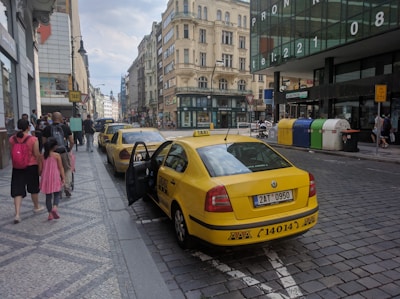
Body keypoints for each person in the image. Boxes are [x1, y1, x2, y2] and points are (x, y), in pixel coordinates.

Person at [9, 118, 43, 224]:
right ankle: (36, 206)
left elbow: (12, 153)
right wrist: (40, 166)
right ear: (28, 127)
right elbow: (37, 155)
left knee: (17, 190)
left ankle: (17, 214)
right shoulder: (33, 139)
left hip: (17, 167)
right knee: (33, 188)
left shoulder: (12, 139)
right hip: (31, 166)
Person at [42, 112, 74, 197]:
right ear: (60, 119)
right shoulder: (66, 127)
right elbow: (72, 141)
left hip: (52, 153)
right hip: (64, 151)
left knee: (56, 170)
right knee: (67, 169)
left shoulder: (47, 128)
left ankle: (58, 188)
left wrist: (48, 151)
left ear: (52, 119)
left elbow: (44, 142)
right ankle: (66, 186)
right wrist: (69, 149)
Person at [40, 137, 65, 221]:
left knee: (48, 196)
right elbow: (60, 167)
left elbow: (40, 169)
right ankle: (55, 207)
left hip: (46, 177)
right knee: (57, 194)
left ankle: (50, 214)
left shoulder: (42, 156)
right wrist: (63, 177)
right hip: (55, 176)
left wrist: (41, 175)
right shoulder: (56, 155)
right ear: (54, 147)